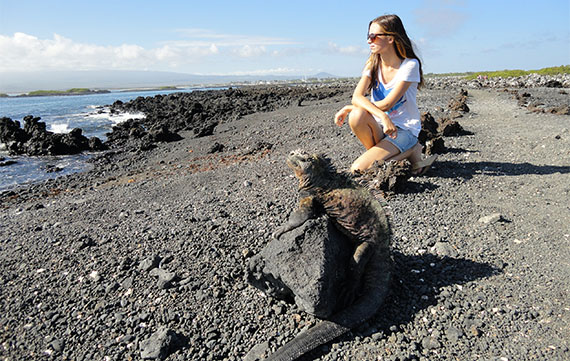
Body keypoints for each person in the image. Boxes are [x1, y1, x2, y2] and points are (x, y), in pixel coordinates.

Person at [334, 14, 437, 174]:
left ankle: (410, 149)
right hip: (381, 127)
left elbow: (388, 103)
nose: (369, 40)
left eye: (374, 36)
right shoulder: (372, 64)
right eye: (368, 36)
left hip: (404, 130)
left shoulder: (409, 65)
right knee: (356, 115)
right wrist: (381, 116)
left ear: (390, 38)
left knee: (358, 169)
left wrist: (354, 107)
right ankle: (396, 155)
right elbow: (357, 97)